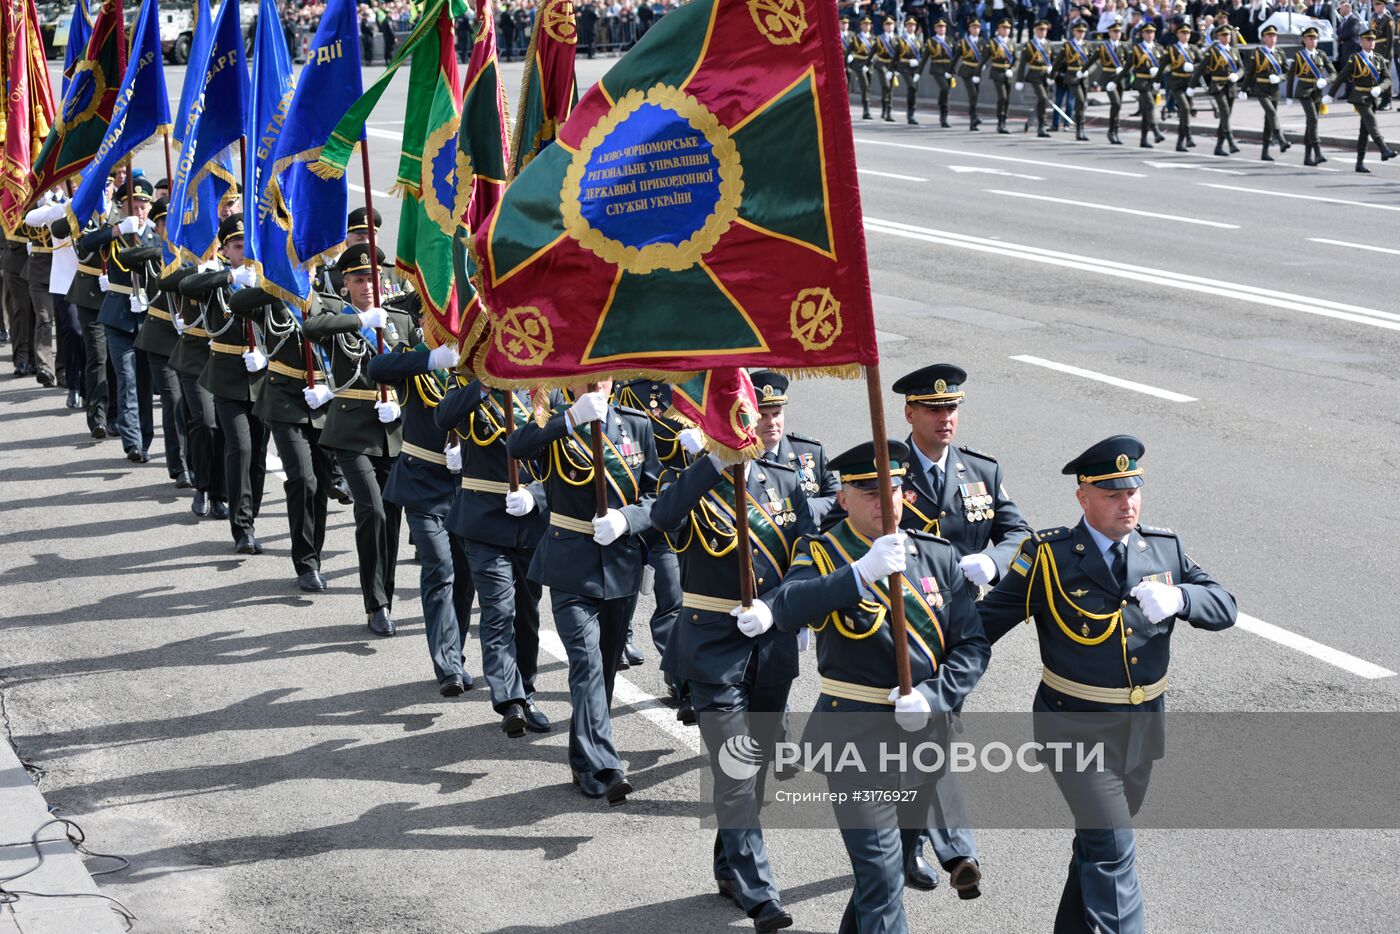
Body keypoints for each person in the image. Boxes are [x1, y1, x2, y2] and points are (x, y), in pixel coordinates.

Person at [978, 435, 1237, 934]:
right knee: (1114, 847)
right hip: (1074, 725)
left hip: (1141, 728)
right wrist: (923, 668)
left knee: (1099, 846)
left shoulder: (1163, 548)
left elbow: (1225, 604)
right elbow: (982, 626)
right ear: (1084, 498)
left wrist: (1183, 598)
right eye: (1114, 493)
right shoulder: (1050, 556)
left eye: (1133, 491)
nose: (1128, 503)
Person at [756, 440, 990, 934]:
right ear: (843, 498)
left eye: (895, 489)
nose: (887, 501)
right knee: (883, 880)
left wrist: (932, 696)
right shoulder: (822, 553)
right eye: (870, 492)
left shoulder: (935, 554)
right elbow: (787, 607)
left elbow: (972, 647)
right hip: (857, 742)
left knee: (877, 884)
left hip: (926, 737)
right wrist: (859, 574)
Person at [650, 432, 812, 933]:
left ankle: (728, 863)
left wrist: (778, 606)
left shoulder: (785, 481)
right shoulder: (691, 480)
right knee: (737, 768)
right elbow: (663, 519)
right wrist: (713, 465)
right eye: (754, 416)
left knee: (755, 769)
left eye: (774, 414)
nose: (766, 425)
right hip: (712, 647)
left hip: (771, 643)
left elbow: (808, 552)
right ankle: (758, 891)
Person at [891, 364, 1030, 895]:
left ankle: (911, 845)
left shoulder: (981, 472)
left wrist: (993, 562)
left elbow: (1018, 531)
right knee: (925, 735)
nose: (945, 418)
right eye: (933, 408)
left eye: (951, 409)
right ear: (910, 413)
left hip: (958, 621)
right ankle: (951, 850)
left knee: (932, 733)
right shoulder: (885, 468)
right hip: (901, 621)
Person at [506, 381, 660, 805]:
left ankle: (581, 758)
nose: (597, 383)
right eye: (588, 377)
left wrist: (628, 519)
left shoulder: (636, 425)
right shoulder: (555, 421)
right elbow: (516, 445)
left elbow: (655, 494)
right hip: (570, 564)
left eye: (606, 375)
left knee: (605, 671)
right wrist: (571, 417)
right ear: (571, 379)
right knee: (587, 665)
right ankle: (608, 765)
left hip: (620, 565)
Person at [302, 245, 415, 635]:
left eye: (372, 278)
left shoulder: (398, 317)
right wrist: (360, 321)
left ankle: (385, 590)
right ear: (346, 284)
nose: (368, 286)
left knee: (392, 518)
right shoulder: (339, 316)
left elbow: (417, 367)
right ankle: (376, 604)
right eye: (359, 280)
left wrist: (401, 403)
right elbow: (311, 329)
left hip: (392, 430)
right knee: (373, 511)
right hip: (351, 431)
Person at [436, 377, 550, 734]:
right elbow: (444, 416)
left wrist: (537, 496)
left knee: (528, 615)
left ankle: (526, 692)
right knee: (499, 610)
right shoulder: (469, 387)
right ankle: (510, 700)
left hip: (530, 521)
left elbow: (568, 462)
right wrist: (483, 384)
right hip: (484, 520)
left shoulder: (548, 390)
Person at [368, 335, 480, 696]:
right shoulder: (415, 360)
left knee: (464, 577)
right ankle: (447, 665)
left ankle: (456, 654)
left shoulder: (476, 363)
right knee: (440, 567)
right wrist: (431, 359)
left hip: (464, 488)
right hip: (421, 484)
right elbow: (376, 368)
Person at [226, 284, 334, 592]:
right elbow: (238, 302)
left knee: (321, 482)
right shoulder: (272, 301)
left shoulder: (329, 300)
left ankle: (314, 551)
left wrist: (331, 389)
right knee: (303, 478)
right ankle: (306, 562)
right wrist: (279, 288)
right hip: (284, 399)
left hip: (322, 400)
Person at [179, 215, 270, 555]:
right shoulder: (215, 280)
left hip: (262, 378)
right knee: (240, 448)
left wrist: (263, 354)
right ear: (224, 250)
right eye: (236, 245)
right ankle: (242, 526)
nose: (243, 250)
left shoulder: (268, 279)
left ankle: (251, 514)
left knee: (258, 455)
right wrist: (232, 276)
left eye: (247, 244)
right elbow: (186, 287)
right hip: (227, 377)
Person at [614, 380, 689, 701]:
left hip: (682, 508)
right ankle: (619, 638)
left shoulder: (696, 389)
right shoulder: (636, 391)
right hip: (646, 506)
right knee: (624, 590)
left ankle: (678, 678)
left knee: (672, 596)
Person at [78, 177, 158, 463]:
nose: (138, 212)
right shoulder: (115, 231)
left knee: (145, 382)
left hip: (149, 317)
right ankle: (133, 441)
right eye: (133, 206)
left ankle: (145, 438)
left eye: (143, 206)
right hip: (118, 316)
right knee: (127, 379)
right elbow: (84, 244)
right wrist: (115, 230)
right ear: (123, 207)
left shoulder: (156, 235)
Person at [130, 198, 192, 489]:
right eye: (166, 221)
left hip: (191, 339)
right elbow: (130, 258)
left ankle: (198, 462)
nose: (172, 226)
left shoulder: (194, 249)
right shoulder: (154, 253)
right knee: (174, 399)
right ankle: (179, 467)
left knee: (195, 405)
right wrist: (162, 249)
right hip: (161, 339)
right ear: (157, 225)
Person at [750, 371, 839, 531]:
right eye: (763, 416)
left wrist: (803, 508)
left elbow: (838, 499)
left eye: (776, 414)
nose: (771, 422)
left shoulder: (811, 451)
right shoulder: (740, 462)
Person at [1326, 27, 1399, 171]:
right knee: (1371, 121)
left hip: (1372, 97)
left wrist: (1380, 88)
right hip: (1359, 97)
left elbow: (1387, 79)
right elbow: (1341, 76)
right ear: (1361, 42)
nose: (1372, 42)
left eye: (1373, 39)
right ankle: (1383, 148)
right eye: (1368, 39)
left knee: (1364, 131)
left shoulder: (1378, 58)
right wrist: (1330, 94)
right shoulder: (1355, 58)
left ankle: (1359, 163)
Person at [1242, 25, 1292, 161]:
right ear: (1264, 38)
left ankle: (1265, 151)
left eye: (1274, 36)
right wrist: (1243, 89)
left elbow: (1288, 73)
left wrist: (1280, 78)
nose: (1272, 38)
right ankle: (1281, 139)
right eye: (1269, 36)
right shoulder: (1258, 53)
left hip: (1274, 89)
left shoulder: (1280, 53)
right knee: (1271, 113)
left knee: (1268, 121)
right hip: (1261, 88)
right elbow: (1250, 72)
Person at [1294, 26, 1337, 166]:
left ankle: (1307, 156)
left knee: (1311, 123)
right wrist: (1289, 96)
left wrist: (1326, 80)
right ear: (1304, 40)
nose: (1313, 41)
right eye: (1310, 38)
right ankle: (1318, 152)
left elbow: (1333, 73)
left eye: (1316, 38)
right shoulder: (1300, 55)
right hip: (1304, 91)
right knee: (1313, 119)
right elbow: (1290, 77)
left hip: (1317, 92)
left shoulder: (1322, 55)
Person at [1203, 23, 1244, 156]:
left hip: (1231, 86)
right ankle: (1231, 142)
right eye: (1223, 35)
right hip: (1218, 86)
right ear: (1218, 37)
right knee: (1225, 112)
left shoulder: (1234, 51)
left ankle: (1219, 147)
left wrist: (1237, 75)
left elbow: (1242, 69)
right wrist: (1191, 86)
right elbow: (1200, 69)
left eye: (1228, 35)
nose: (1226, 37)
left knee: (1226, 116)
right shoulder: (1213, 51)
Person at [1162, 22, 1200, 152]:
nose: (1186, 35)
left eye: (1188, 33)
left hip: (1189, 84)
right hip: (1176, 83)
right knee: (1184, 108)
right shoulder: (1172, 49)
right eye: (1183, 33)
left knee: (1185, 112)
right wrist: (1156, 81)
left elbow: (1203, 66)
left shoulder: (1193, 49)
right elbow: (1163, 65)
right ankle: (1189, 136)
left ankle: (1180, 143)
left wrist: (1193, 67)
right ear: (1178, 34)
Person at [1053, 19, 1093, 140]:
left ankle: (1080, 130)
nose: (1081, 33)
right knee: (1079, 100)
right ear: (1074, 32)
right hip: (1072, 76)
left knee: (1081, 104)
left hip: (1084, 77)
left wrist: (1087, 71)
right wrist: (1051, 75)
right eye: (1078, 31)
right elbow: (1058, 61)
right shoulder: (1068, 45)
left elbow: (1093, 62)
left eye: (1083, 31)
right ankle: (1078, 128)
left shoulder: (1087, 45)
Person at [1130, 22, 1167, 147]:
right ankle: (1156, 132)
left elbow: (1166, 66)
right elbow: (1129, 66)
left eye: (1152, 32)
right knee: (1151, 105)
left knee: (1146, 111)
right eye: (1147, 32)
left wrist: (1159, 72)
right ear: (1143, 34)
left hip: (1154, 83)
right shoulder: (1137, 48)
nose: (1150, 35)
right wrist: (1116, 80)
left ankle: (1143, 139)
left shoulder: (1159, 48)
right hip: (1142, 82)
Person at [1016, 19, 1056, 137]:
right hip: (1034, 75)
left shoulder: (1048, 44)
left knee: (1042, 100)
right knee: (1043, 98)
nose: (1043, 32)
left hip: (1045, 76)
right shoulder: (1029, 45)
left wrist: (1051, 73)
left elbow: (1052, 60)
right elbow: (1022, 64)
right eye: (1041, 29)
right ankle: (1042, 126)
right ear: (1036, 30)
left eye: (1045, 30)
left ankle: (1030, 121)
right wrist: (1019, 80)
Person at [1097, 21, 1129, 144]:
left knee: (1118, 106)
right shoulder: (1104, 47)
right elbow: (1093, 61)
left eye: (1119, 31)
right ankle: (1111, 132)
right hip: (1108, 78)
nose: (1118, 34)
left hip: (1120, 79)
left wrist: (1124, 69)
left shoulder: (1123, 47)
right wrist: (1084, 71)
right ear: (1110, 33)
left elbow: (1130, 62)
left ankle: (1114, 131)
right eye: (1115, 32)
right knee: (1115, 103)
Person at [924, 18, 957, 127]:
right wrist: (918, 72)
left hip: (948, 69)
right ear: (935, 28)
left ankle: (944, 117)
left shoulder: (951, 40)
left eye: (943, 27)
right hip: (937, 69)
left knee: (947, 93)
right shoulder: (931, 41)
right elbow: (924, 58)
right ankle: (941, 107)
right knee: (944, 88)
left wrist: (953, 69)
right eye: (939, 27)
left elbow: (956, 57)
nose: (942, 29)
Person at [957, 17, 988, 130]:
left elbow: (987, 55)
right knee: (973, 94)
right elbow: (956, 57)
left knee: (975, 95)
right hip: (966, 70)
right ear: (969, 29)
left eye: (978, 27)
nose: (976, 29)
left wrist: (984, 64)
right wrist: (950, 70)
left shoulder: (983, 42)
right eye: (974, 27)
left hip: (977, 71)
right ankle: (974, 117)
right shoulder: (964, 42)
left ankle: (973, 121)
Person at [988, 19, 1018, 134]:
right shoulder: (994, 42)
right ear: (999, 29)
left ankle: (1004, 121)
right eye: (1004, 28)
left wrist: (1012, 69)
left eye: (1008, 28)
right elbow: (985, 57)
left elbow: (1016, 59)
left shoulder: (1012, 42)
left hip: (1008, 74)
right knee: (1002, 97)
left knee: (1007, 99)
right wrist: (978, 71)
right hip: (997, 72)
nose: (1006, 30)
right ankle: (1000, 121)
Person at [895, 16, 925, 124]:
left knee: (914, 90)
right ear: (905, 27)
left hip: (915, 68)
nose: (911, 27)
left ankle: (911, 113)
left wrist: (919, 63)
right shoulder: (901, 40)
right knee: (912, 87)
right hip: (904, 68)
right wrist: (893, 69)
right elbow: (896, 56)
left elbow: (922, 55)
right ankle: (910, 114)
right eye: (909, 25)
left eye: (913, 25)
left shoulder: (918, 40)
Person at [846, 16, 877, 120]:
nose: (867, 26)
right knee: (865, 85)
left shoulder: (874, 38)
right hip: (859, 64)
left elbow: (878, 52)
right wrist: (849, 58)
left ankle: (866, 109)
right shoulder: (856, 38)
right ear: (861, 26)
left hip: (869, 65)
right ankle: (866, 110)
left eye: (868, 24)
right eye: (864, 24)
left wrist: (873, 59)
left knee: (868, 86)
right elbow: (849, 51)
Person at [874, 16, 902, 122]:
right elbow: (873, 51)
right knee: (885, 85)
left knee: (890, 88)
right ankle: (885, 109)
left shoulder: (898, 39)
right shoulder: (879, 38)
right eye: (887, 25)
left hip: (892, 65)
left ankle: (887, 111)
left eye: (891, 25)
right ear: (884, 26)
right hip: (881, 64)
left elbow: (900, 54)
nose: (889, 27)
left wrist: (898, 68)